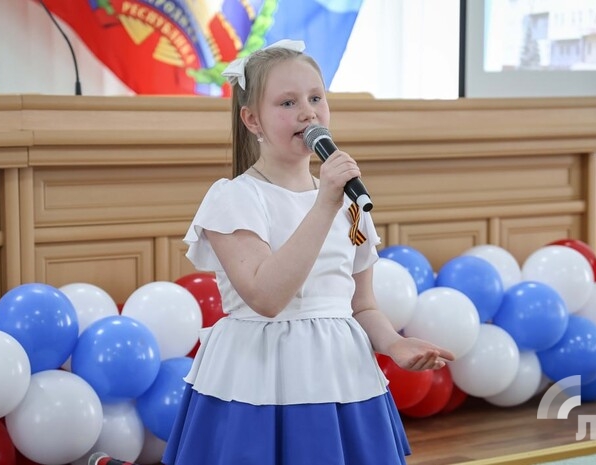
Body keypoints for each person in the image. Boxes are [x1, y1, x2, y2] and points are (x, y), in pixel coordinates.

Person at [163, 39, 455, 465]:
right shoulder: (234, 199)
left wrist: (395, 344)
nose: (308, 113)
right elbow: (266, 297)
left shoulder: (346, 201)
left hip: (339, 375)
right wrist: (324, 205)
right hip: (258, 379)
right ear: (252, 119)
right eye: (288, 102)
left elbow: (361, 305)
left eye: (316, 98)